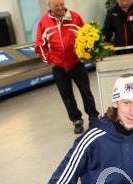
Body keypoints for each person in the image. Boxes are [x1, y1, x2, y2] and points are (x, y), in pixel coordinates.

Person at [35, 0, 99, 134]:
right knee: (67, 95)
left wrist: (87, 53)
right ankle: (76, 120)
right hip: (58, 66)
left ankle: (93, 117)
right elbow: (40, 45)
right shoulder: (44, 22)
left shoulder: (75, 17)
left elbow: (87, 36)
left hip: (76, 63)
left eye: (61, 4)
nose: (60, 8)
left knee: (86, 92)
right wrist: (49, 60)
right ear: (49, 6)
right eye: (56, 6)